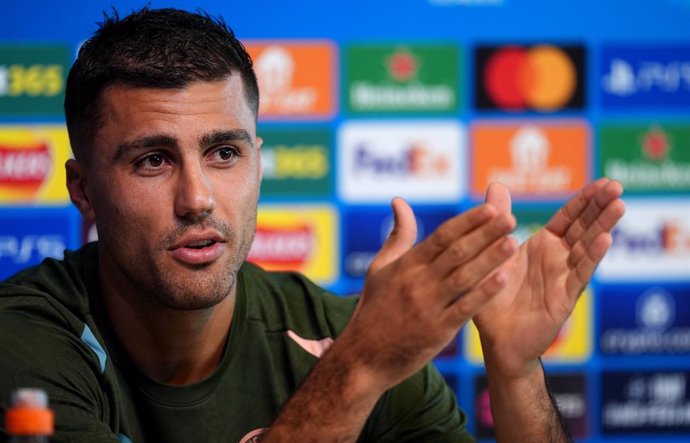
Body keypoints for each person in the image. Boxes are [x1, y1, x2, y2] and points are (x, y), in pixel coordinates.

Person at [0, 7, 625, 443]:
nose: (197, 198)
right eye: (153, 160)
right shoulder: (23, 339)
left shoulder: (340, 331)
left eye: (224, 153)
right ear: (83, 190)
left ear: (257, 160)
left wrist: (516, 374)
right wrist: (356, 371)